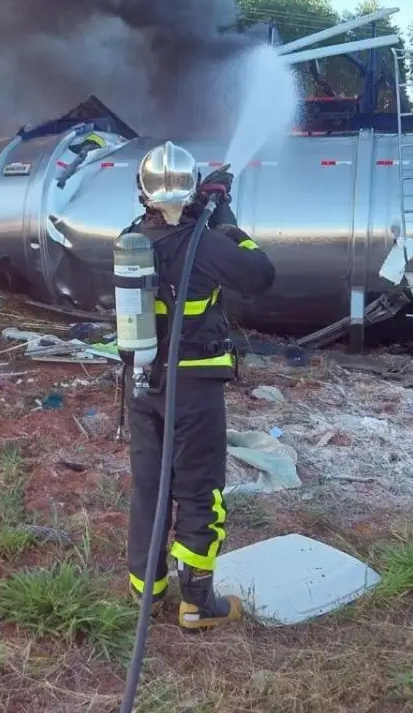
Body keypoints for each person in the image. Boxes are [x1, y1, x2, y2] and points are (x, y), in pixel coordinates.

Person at [123, 140, 276, 630]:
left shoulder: (130, 241)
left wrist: (200, 215)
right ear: (191, 191)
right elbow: (260, 274)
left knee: (149, 486)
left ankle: (146, 591)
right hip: (193, 387)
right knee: (199, 489)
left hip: (142, 384)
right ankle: (197, 603)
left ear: (143, 192)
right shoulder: (205, 245)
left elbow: (167, 253)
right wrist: (225, 218)